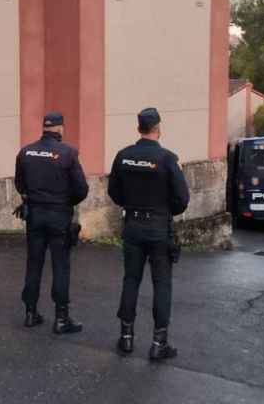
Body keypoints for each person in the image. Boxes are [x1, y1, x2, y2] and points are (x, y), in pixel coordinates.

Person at [108, 107, 190, 360]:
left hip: (132, 226)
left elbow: (114, 192)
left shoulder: (123, 156)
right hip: (158, 228)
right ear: (158, 128)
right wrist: (165, 212)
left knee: (131, 280)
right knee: (161, 284)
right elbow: (182, 199)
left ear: (139, 128)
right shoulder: (166, 159)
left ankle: (126, 338)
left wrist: (131, 205)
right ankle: (158, 343)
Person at [14, 111, 89, 334]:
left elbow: (20, 184)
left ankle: (30, 312)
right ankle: (61, 318)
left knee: (34, 263)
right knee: (60, 266)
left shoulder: (26, 152)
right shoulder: (68, 153)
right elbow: (81, 189)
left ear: (44, 128)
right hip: (58, 216)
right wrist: (66, 202)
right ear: (60, 129)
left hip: (35, 215)